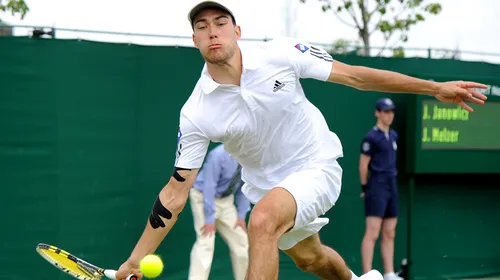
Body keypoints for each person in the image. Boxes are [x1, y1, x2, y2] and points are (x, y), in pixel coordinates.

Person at [115, 1, 487, 280]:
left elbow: (356, 77)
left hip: (316, 165)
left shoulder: (282, 54)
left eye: (220, 23)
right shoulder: (197, 112)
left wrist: (434, 87)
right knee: (312, 259)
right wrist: (134, 261)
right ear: (194, 39)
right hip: (265, 185)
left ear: (237, 31)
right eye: (202, 26)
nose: (213, 31)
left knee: (262, 222)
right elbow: (176, 193)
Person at [188, 143, 250, 280]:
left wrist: (241, 215)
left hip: (226, 201)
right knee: (206, 242)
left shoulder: (249, 157)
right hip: (202, 197)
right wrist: (209, 218)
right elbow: (209, 186)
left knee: (241, 241)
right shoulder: (217, 155)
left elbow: (244, 186)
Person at [359, 98, 401, 280]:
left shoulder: (394, 136)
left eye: (391, 111)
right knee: (373, 232)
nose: (389, 115)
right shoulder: (371, 137)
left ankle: (389, 273)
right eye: (385, 111)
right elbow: (363, 165)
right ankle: (368, 274)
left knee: (390, 231)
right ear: (377, 113)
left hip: (392, 186)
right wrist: (365, 187)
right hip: (376, 187)